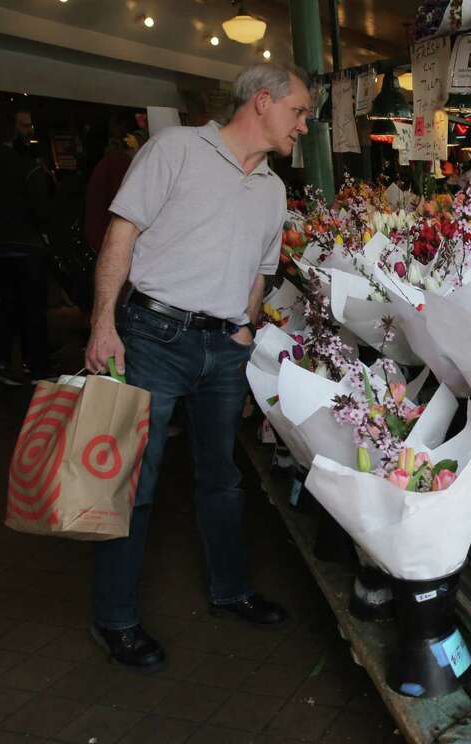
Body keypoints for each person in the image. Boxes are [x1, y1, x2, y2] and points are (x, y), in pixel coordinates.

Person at [83, 63, 312, 671]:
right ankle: (116, 618)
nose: (304, 126)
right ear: (262, 102)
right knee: (132, 483)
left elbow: (260, 272)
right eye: (300, 112)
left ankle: (230, 590)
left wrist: (245, 329)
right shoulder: (176, 148)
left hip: (222, 348)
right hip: (152, 335)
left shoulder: (272, 187)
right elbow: (121, 233)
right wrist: (103, 323)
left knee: (222, 478)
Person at [0, 132, 53, 384]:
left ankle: (0, 364)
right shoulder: (30, 169)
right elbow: (42, 211)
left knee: (4, 307)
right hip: (27, 247)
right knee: (33, 310)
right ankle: (36, 368)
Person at [83, 114, 139, 253]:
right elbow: (126, 210)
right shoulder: (119, 164)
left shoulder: (112, 162)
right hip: (109, 245)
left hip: (102, 240)